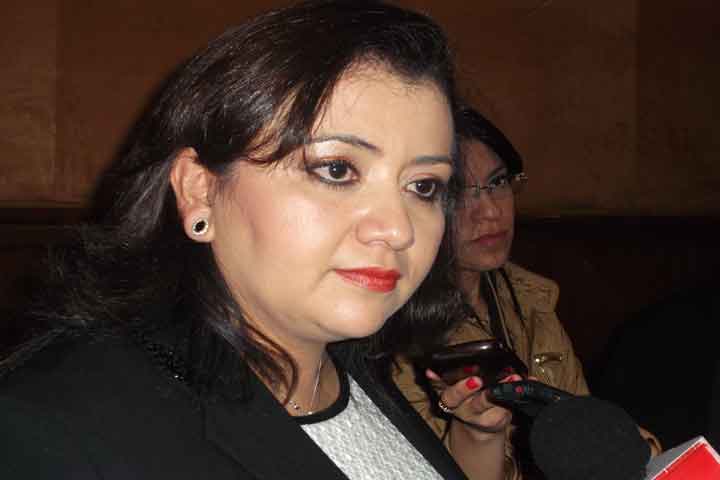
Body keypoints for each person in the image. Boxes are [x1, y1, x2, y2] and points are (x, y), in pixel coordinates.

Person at [0, 2, 476, 478]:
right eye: (336, 170)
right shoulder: (55, 429)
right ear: (200, 191)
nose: (398, 229)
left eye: (423, 186)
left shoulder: (351, 367)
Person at [393, 106, 660, 479]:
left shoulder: (531, 298)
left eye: (498, 182)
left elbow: (584, 426)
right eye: (458, 192)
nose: (490, 211)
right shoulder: (393, 328)